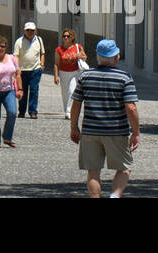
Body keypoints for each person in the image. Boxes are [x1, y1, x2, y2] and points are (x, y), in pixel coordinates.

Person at [70, 39, 140, 199]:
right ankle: (114, 196)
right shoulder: (124, 78)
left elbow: (76, 104)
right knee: (124, 168)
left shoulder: (85, 76)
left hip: (90, 131)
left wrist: (73, 126)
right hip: (116, 131)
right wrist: (136, 131)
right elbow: (131, 108)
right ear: (116, 57)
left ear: (97, 57)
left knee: (93, 171)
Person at [13, 22, 46, 118]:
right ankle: (22, 111)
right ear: (24, 31)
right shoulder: (19, 41)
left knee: (34, 90)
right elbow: (16, 55)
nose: (30, 32)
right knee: (22, 91)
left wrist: (42, 65)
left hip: (35, 69)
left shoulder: (39, 40)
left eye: (32, 30)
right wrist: (17, 68)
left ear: (35, 30)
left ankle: (33, 111)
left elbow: (42, 53)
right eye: (28, 30)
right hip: (22, 70)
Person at [55, 28, 87, 117]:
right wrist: (56, 75)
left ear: (72, 37)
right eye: (64, 36)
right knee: (65, 94)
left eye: (68, 36)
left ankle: (69, 112)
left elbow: (84, 57)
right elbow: (57, 64)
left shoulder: (77, 47)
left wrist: (78, 55)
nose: (65, 37)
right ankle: (66, 110)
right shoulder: (59, 49)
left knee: (71, 91)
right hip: (63, 73)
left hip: (74, 72)